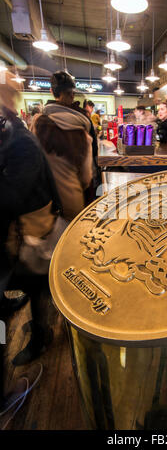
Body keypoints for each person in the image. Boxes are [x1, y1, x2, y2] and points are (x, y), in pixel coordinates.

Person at [0, 74, 61, 367]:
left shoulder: (17, 134)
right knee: (34, 278)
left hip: (32, 220)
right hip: (33, 217)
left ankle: (41, 335)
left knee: (37, 280)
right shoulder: (15, 127)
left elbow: (14, 192)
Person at [33, 71, 93, 222]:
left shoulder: (37, 123)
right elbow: (86, 178)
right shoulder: (83, 132)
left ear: (52, 91)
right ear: (73, 95)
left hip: (42, 205)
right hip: (72, 204)